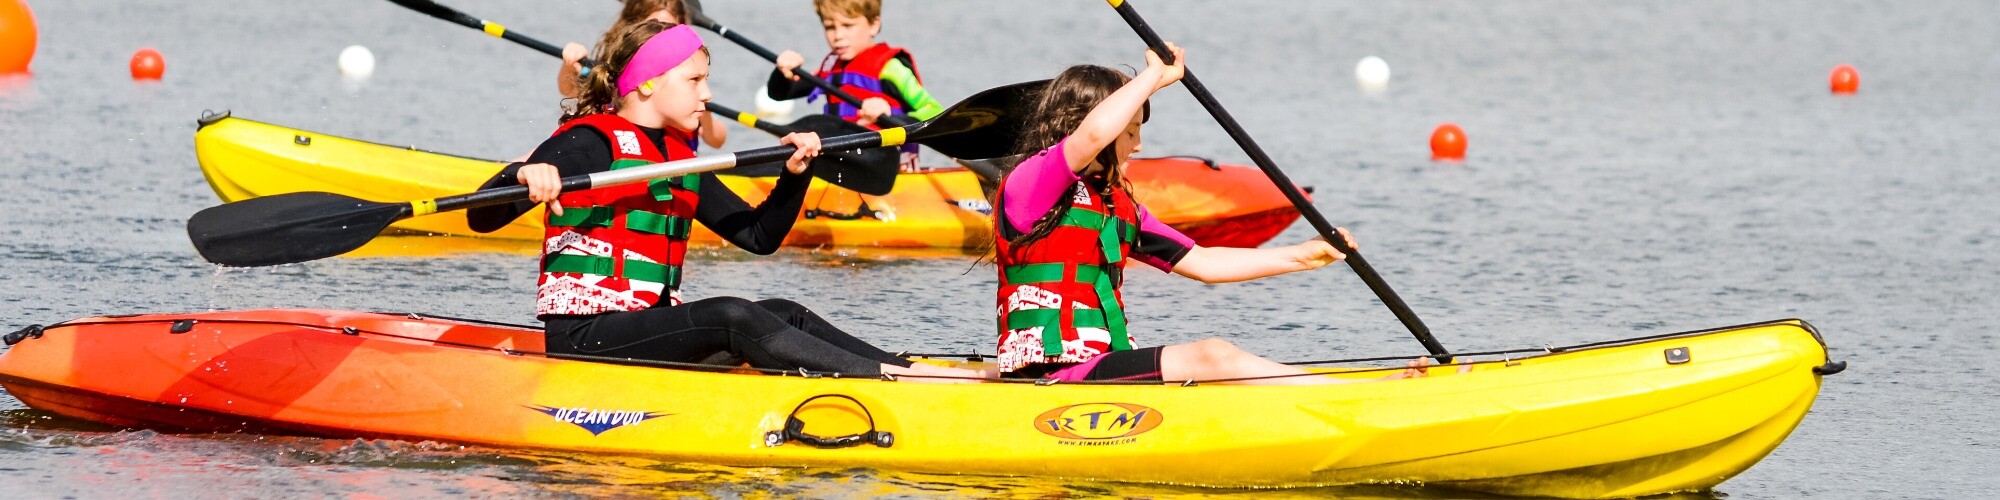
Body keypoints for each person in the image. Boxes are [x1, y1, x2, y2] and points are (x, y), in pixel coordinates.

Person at [469, 21, 979, 382]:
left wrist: (794, 176)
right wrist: (523, 173)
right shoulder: (589, 141)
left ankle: (913, 370)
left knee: (784, 310)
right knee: (733, 313)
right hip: (585, 337)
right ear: (647, 84)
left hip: (646, 331)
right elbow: (481, 215)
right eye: (694, 80)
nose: (707, 94)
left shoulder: (676, 156)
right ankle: (889, 381)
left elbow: (758, 238)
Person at [993, 44, 1436, 385]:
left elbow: (1204, 262)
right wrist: (1153, 76)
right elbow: (1091, 134)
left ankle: (1354, 390)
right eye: (1130, 132)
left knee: (1221, 367)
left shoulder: (1118, 207)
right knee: (1213, 356)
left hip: (1100, 372)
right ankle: (1363, 399)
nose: (1139, 145)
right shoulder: (1031, 186)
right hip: (1045, 376)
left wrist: (1304, 256)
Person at [767, 0, 943, 172]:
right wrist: (782, 72)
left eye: (848, 25)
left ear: (874, 25)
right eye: (830, 27)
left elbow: (934, 112)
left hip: (890, 170)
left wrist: (890, 114)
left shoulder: (891, 68)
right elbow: (779, 93)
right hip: (842, 165)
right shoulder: (830, 66)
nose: (838, 35)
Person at [558, 0, 725, 149]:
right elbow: (569, 90)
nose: (659, 35)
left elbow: (717, 140)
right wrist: (569, 65)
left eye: (669, 29)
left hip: (679, 167)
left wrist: (701, 107)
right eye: (652, 26)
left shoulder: (690, 81)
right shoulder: (614, 71)